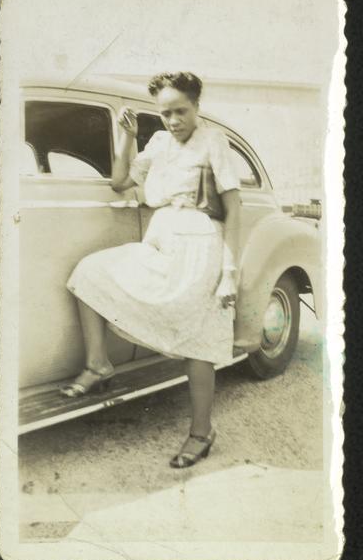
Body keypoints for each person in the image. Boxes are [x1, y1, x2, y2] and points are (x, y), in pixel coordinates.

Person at [62, 71, 242, 468]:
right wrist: (127, 136)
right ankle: (98, 363)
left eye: (181, 111)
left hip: (201, 245)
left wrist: (230, 271)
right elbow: (119, 182)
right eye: (165, 114)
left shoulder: (214, 141)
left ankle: (201, 432)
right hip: (161, 241)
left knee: (198, 341)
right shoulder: (158, 142)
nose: (174, 121)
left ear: (197, 106)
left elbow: (234, 209)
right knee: (89, 272)